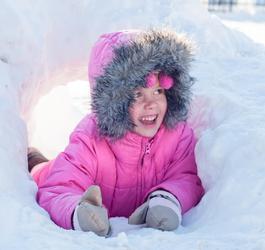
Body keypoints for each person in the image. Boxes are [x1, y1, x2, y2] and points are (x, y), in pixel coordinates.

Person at [28, 28, 205, 237]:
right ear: (114, 102)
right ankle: (31, 155)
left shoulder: (177, 135)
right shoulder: (91, 137)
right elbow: (57, 187)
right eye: (137, 94)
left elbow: (186, 177)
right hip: (51, 172)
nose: (151, 103)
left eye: (158, 91)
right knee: (39, 167)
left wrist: (167, 198)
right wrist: (78, 212)